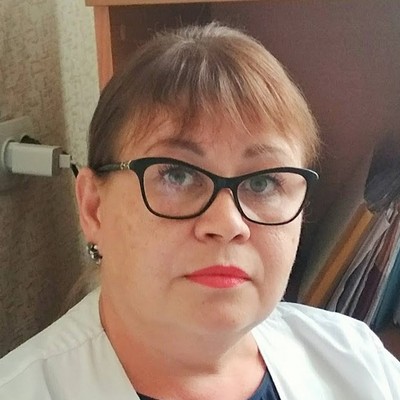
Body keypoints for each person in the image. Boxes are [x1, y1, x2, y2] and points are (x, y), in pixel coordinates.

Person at [0, 22, 399, 400]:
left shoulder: (360, 364)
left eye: (263, 182)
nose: (227, 223)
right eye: (177, 175)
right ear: (94, 208)